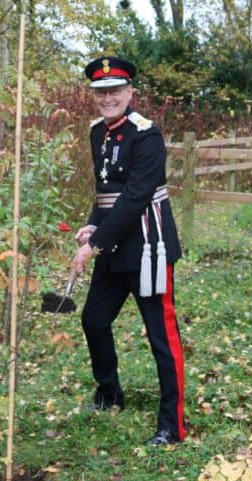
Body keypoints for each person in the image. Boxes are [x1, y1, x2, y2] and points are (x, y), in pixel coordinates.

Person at [71, 56, 187, 447]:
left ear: (130, 92)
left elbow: (136, 197)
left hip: (148, 247)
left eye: (116, 90)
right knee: (94, 319)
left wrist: (94, 244)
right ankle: (109, 395)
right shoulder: (96, 133)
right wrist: (92, 224)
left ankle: (171, 426)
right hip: (113, 244)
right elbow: (106, 193)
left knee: (161, 337)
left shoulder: (147, 135)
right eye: (101, 92)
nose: (109, 98)